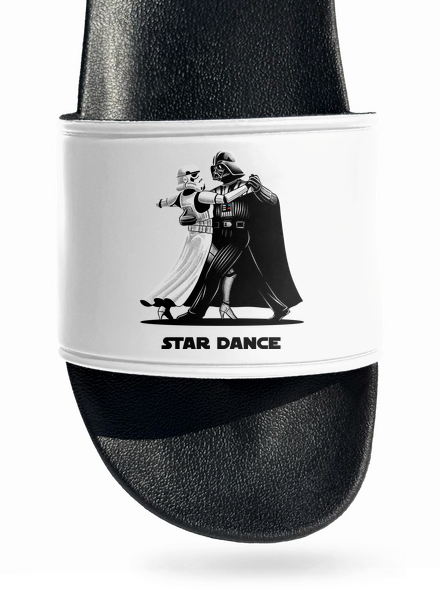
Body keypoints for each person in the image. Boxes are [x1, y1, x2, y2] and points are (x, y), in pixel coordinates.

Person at [176, 152, 302, 322]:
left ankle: (195, 314)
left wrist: (260, 188)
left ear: (229, 168)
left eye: (219, 167)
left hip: (238, 236)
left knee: (213, 274)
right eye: (214, 168)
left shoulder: (247, 186)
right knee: (254, 277)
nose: (215, 171)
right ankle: (280, 308)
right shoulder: (214, 191)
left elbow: (272, 200)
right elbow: (197, 208)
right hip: (219, 236)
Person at [140, 165, 241, 319]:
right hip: (203, 240)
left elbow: (160, 203)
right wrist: (246, 188)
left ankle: (164, 307)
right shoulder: (201, 196)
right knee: (227, 271)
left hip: (191, 239)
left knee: (184, 272)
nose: (199, 178)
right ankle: (224, 306)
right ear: (187, 179)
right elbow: (225, 199)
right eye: (195, 175)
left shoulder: (178, 197)